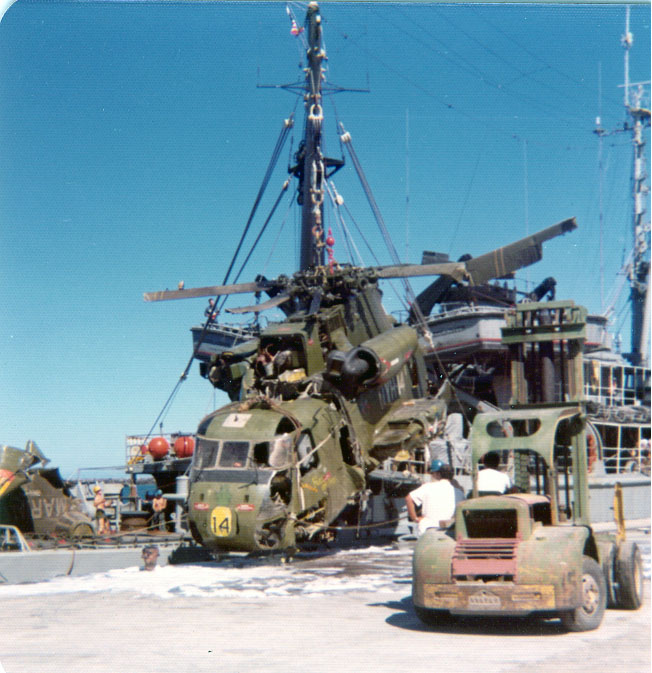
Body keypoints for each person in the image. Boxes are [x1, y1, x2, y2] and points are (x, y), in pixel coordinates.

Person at [405, 459, 456, 536]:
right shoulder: (458, 492)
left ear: (439, 474)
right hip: (449, 533)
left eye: (432, 473)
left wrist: (415, 518)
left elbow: (408, 498)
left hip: (427, 531)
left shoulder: (427, 487)